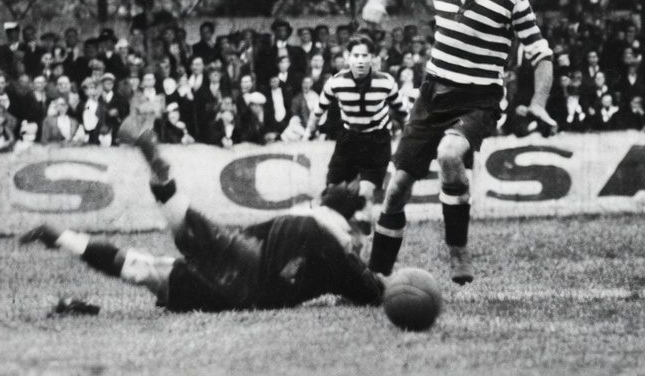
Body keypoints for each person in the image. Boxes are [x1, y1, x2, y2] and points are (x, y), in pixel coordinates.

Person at [360, 0, 556, 284]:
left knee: (450, 154)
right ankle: (375, 275)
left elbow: (541, 54)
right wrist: (377, 1)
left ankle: (458, 251)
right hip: (433, 93)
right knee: (397, 188)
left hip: (479, 98)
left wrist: (539, 103)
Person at [19, 123, 385, 313]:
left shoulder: (305, 220)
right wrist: (384, 284)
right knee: (146, 270)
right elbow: (367, 288)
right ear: (351, 220)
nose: (369, 227)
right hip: (251, 285)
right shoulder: (338, 246)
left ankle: (64, 234)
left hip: (245, 250)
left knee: (179, 239)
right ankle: (64, 237)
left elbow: (246, 234)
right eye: (367, 220)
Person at [304, 35, 404, 234]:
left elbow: (402, 112)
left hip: (377, 139)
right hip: (349, 138)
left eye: (365, 55)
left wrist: (408, 139)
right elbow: (318, 111)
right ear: (347, 57)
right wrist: (308, 132)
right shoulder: (336, 83)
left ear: (373, 58)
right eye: (355, 55)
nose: (360, 60)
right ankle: (327, 223)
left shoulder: (386, 82)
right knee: (333, 190)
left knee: (366, 191)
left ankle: (363, 225)